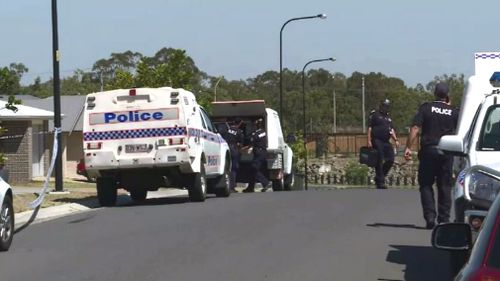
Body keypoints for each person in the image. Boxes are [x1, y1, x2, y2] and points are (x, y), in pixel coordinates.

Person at [404, 82, 458, 229]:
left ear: (434, 93)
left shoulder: (426, 108)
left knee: (426, 184)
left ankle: (430, 217)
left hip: (428, 150)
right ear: (447, 95)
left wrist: (408, 147)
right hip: (447, 151)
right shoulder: (453, 111)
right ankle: (444, 219)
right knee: (444, 186)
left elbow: (415, 128)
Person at [367, 99, 400, 189]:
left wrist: (396, 140)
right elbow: (370, 128)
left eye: (387, 106)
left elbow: (391, 130)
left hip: (386, 141)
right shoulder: (375, 115)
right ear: (381, 106)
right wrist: (369, 140)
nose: (386, 108)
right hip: (377, 140)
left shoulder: (388, 118)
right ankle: (380, 182)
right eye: (385, 106)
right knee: (379, 160)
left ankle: (379, 177)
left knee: (391, 159)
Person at [243, 118, 270, 193]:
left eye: (254, 125)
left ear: (256, 125)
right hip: (263, 152)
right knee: (253, 170)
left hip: (258, 153)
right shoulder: (263, 132)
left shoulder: (255, 135)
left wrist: (242, 149)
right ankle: (250, 188)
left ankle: (266, 183)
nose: (253, 126)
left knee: (253, 169)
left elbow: (250, 145)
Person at [220, 118, 244, 193]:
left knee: (227, 167)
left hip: (226, 149)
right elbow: (240, 143)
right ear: (239, 124)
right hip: (234, 150)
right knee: (234, 168)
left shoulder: (227, 130)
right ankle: (232, 187)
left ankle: (226, 185)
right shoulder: (239, 131)